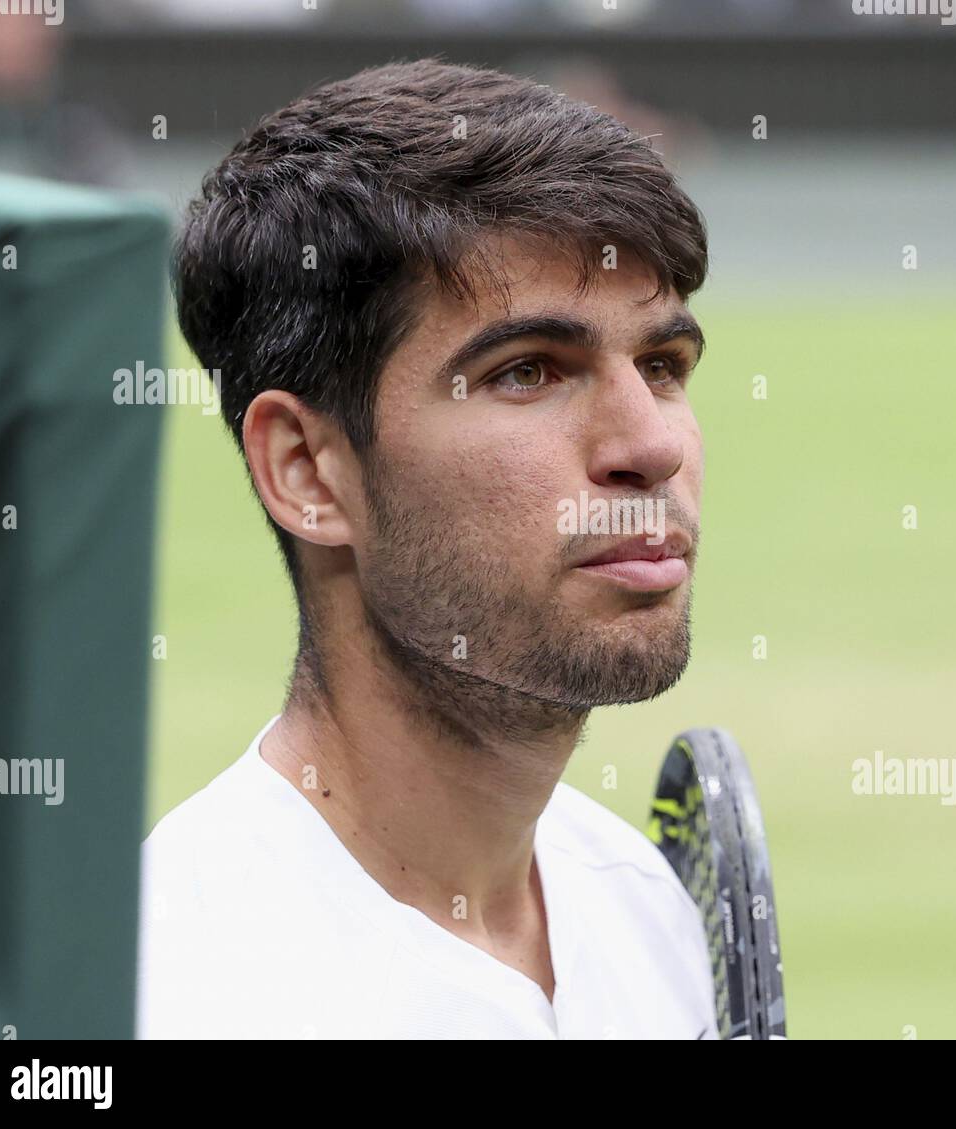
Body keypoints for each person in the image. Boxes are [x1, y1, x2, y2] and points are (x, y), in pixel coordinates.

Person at [136, 58, 718, 1039]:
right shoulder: (169, 988)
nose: (650, 445)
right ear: (309, 473)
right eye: (529, 371)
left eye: (661, 365)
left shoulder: (642, 908)